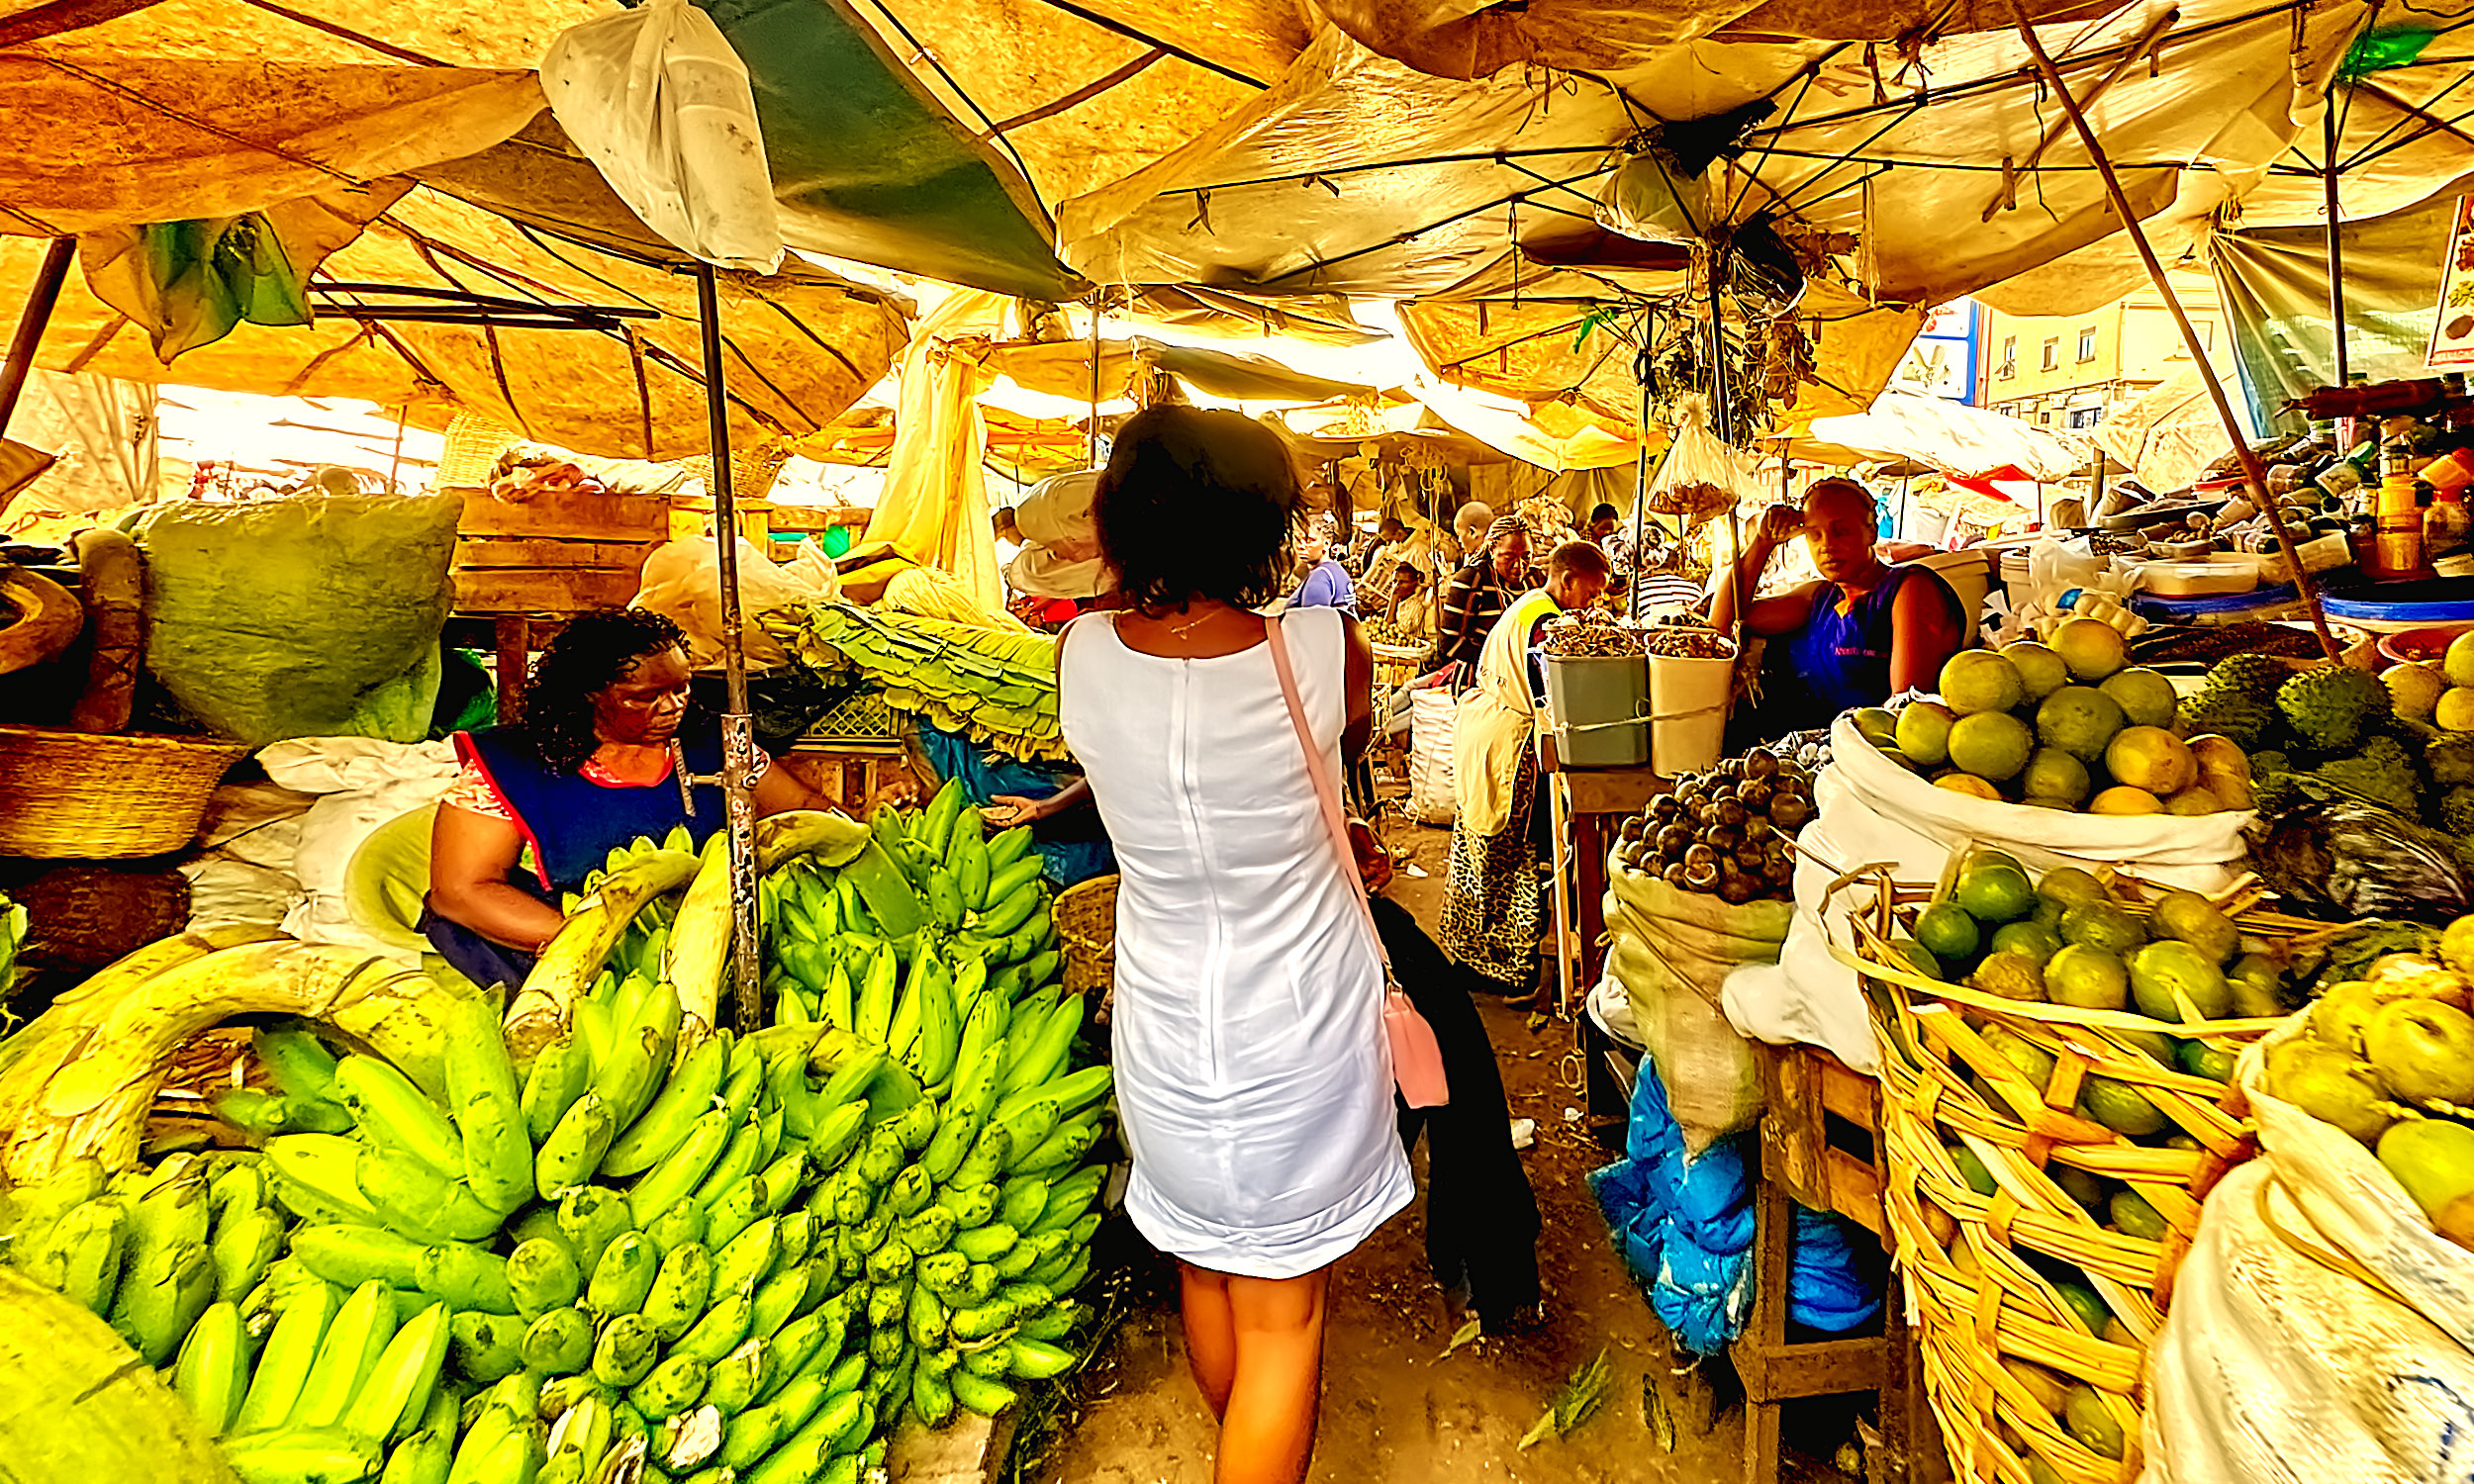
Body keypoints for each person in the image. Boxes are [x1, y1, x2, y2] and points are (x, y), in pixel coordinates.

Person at [1019, 405, 1406, 1484]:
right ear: (1260, 526)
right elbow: (1326, 764)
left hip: (1166, 1028)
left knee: (1204, 1264)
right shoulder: (1326, 647)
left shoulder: (1080, 653)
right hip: (1300, 1027)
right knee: (1286, 1316)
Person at [425, 608, 834, 992]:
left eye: (682, 688)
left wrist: (861, 820)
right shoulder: (513, 764)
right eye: (644, 696)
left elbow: (800, 808)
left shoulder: (713, 744)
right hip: (547, 947)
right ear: (587, 695)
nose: (673, 706)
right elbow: (461, 890)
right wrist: (586, 937)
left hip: (703, 942)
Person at [1441, 540, 1610, 991]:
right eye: (1591, 594)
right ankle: (1505, 971)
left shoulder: (1531, 605)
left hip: (1488, 732)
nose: (1593, 606)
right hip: (1509, 745)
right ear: (1568, 580)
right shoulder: (1546, 622)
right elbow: (1554, 691)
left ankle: (1470, 957)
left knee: (1480, 852)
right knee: (1513, 860)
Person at [1711, 477, 1967, 741]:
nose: (1826, 546)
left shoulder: (1910, 588)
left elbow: (1902, 710)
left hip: (1865, 756)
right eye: (1814, 534)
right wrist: (1763, 543)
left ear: (1871, 531)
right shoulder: (1818, 597)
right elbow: (1721, 625)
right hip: (1801, 752)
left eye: (1840, 531)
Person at [1429, 515, 1536, 677]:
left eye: (1526, 556)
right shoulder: (1473, 579)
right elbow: (1449, 642)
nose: (1519, 565)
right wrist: (1500, 660)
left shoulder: (1534, 580)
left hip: (1525, 679)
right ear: (1492, 551)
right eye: (1509, 557)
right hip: (1479, 681)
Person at [1288, 527, 1358, 614]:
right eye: (1298, 540)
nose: (1301, 546)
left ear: (1326, 544)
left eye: (1309, 540)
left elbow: (1313, 621)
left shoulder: (1320, 576)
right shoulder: (1336, 569)